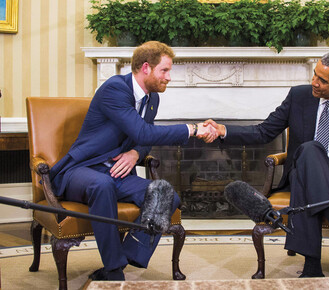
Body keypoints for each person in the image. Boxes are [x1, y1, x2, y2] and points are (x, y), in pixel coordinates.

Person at [206, 50, 329, 277]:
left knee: (305, 175)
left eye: (323, 80)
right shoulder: (299, 96)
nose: (314, 83)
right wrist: (224, 130)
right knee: (310, 150)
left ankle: (312, 266)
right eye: (314, 75)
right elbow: (264, 132)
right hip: (305, 166)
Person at [49, 41, 217, 281]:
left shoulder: (152, 99)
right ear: (146, 68)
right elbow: (144, 132)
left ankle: (127, 256)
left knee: (165, 193)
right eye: (165, 70)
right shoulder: (114, 89)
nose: (169, 77)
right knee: (101, 185)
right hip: (82, 169)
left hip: (116, 173)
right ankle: (113, 270)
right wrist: (192, 128)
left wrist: (135, 154)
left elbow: (143, 138)